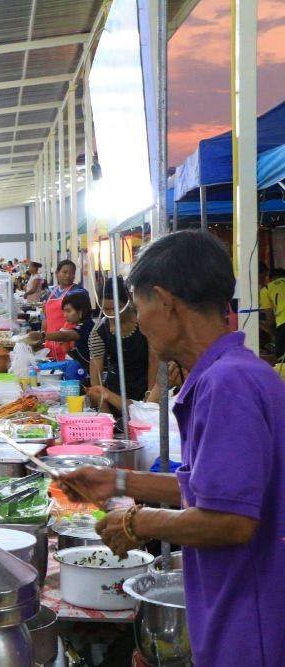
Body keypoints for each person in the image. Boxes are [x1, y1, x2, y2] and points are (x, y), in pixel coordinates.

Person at [59, 231, 285, 667]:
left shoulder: (228, 384)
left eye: (138, 305)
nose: (138, 320)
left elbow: (230, 520)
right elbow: (207, 489)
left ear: (164, 301)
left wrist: (137, 519)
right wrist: (116, 480)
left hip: (251, 627)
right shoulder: (234, 373)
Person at [88, 277, 157, 413]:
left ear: (128, 303)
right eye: (106, 309)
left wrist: (150, 398)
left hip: (145, 392)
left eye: (116, 308)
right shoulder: (98, 332)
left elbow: (154, 361)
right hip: (114, 394)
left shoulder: (146, 323)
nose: (111, 314)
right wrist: (104, 412)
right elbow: (96, 382)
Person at [42, 260, 86, 361]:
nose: (68, 276)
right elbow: (46, 317)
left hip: (69, 342)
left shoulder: (78, 292)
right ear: (57, 273)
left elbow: (83, 318)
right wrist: (42, 336)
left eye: (72, 273)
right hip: (50, 343)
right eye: (65, 272)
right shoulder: (51, 292)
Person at [259, 267, 285, 358]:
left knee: (282, 363)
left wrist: (258, 324)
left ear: (269, 278)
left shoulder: (266, 289)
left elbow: (269, 321)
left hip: (283, 323)